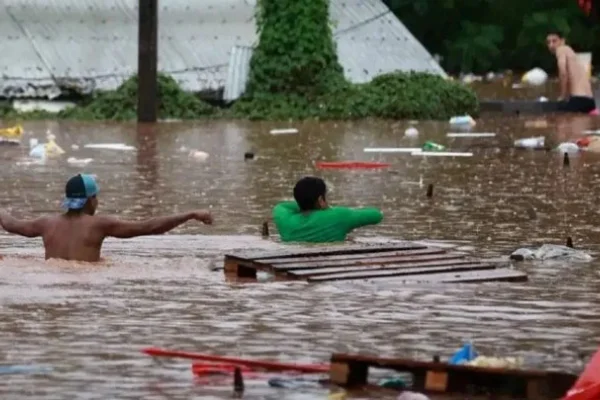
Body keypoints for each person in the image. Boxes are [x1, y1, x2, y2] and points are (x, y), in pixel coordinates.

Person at [0, 174, 213, 262]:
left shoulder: (46, 224)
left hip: (50, 278)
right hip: (86, 285)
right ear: (90, 200)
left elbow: (10, 224)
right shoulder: (99, 225)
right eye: (96, 197)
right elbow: (148, 227)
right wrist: (190, 214)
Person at [272, 176, 383, 243]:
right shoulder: (338, 216)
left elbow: (281, 206)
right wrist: (328, 208)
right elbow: (377, 215)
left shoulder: (285, 221)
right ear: (321, 199)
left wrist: (304, 203)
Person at [546, 29, 597, 113]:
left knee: (556, 119)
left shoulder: (561, 49)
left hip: (578, 99)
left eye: (554, 41)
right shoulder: (572, 54)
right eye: (548, 42)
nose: (551, 45)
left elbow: (563, 73)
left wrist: (562, 96)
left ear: (562, 41)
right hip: (590, 102)